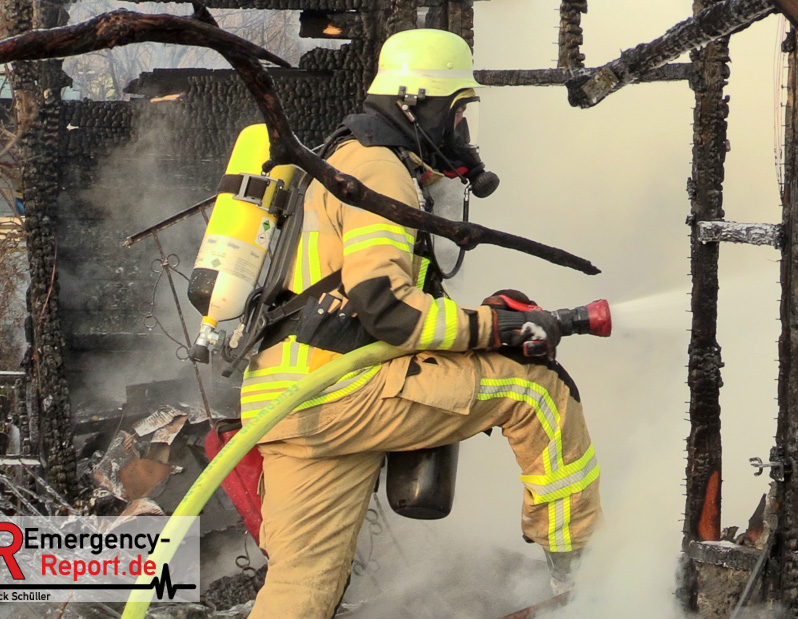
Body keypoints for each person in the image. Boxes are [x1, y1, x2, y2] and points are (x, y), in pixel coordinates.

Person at [240, 28, 602, 618]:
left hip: (285, 402)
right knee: (537, 391)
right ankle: (585, 581)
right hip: (342, 390)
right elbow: (387, 309)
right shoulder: (378, 168)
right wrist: (499, 329)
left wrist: (486, 319)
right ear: (417, 105)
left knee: (300, 589)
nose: (462, 133)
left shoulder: (342, 157)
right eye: (458, 114)